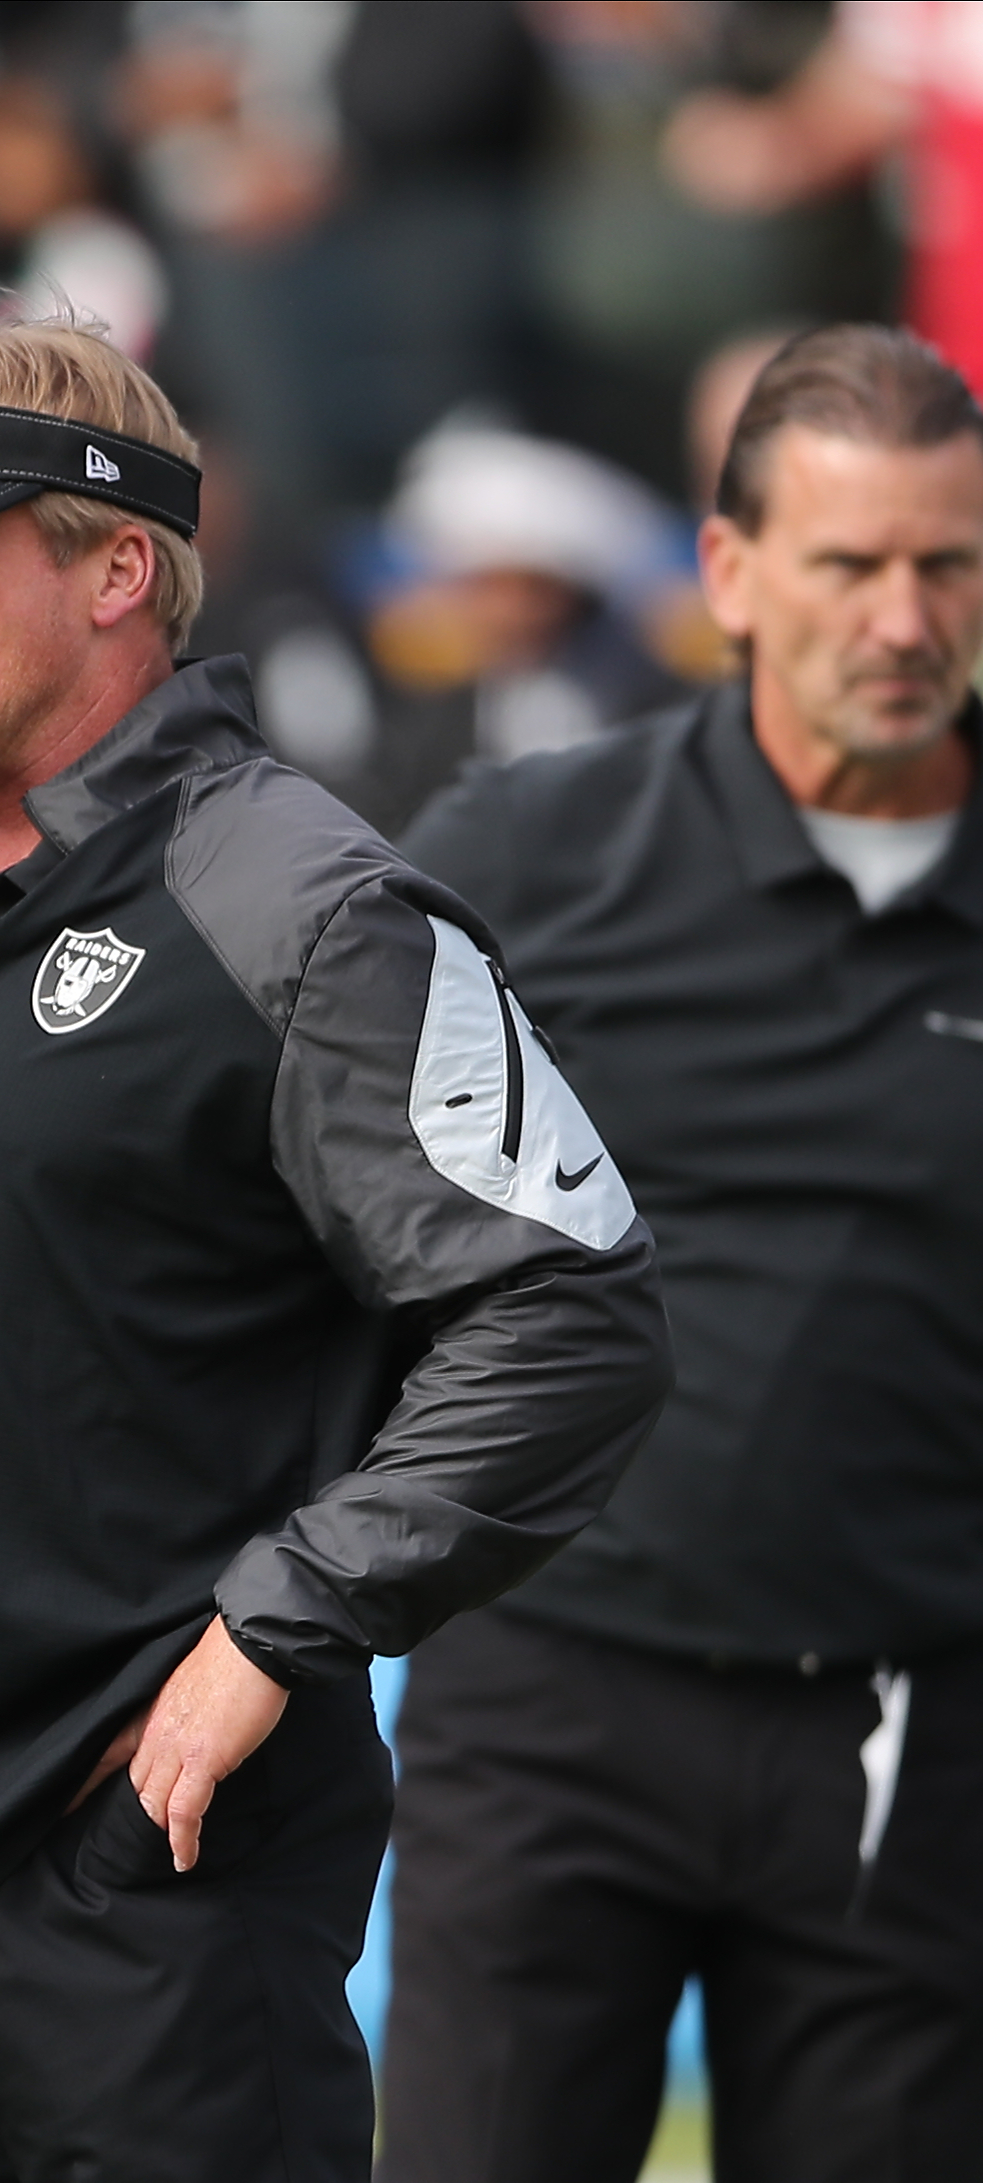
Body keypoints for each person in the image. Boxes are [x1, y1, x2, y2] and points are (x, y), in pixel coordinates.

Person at [0, 319, 674, 2183]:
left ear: (117, 567)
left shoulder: (299, 903)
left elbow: (569, 1307)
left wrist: (276, 1627)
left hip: (133, 1883)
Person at [381, 323, 983, 2182]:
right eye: (845, 563)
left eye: (946, 564)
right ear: (725, 574)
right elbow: (299, 1219)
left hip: (919, 1743)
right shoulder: (527, 851)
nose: (900, 618)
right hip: (541, 1707)